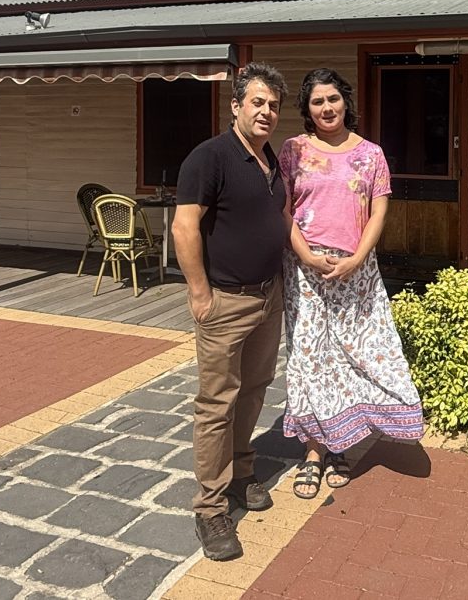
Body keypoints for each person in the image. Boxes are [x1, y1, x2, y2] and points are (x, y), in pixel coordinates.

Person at [278, 67, 424, 500]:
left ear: (346, 102)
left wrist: (357, 259)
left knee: (354, 354)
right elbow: (282, 209)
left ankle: (342, 442)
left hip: (356, 272)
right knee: (310, 357)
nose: (327, 108)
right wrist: (305, 255)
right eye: (318, 101)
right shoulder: (293, 151)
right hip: (304, 270)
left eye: (333, 99)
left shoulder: (371, 154)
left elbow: (378, 213)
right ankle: (314, 450)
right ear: (308, 109)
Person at [172, 62, 290, 561]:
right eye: (257, 102)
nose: (266, 112)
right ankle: (210, 506)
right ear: (236, 105)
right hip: (226, 299)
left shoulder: (269, 161)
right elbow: (183, 228)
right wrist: (200, 294)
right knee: (217, 403)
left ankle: (242, 471)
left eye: (273, 106)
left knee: (255, 390)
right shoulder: (210, 157)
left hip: (268, 296)